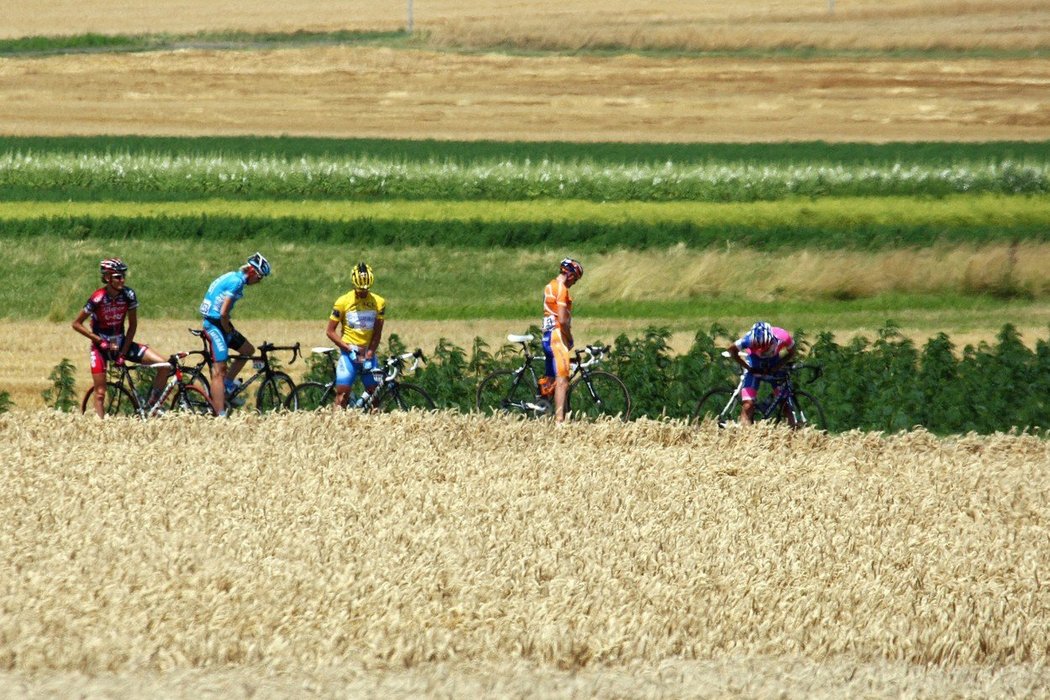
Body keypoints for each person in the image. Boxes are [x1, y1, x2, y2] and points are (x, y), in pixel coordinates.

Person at [72, 258, 170, 418]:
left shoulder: (128, 295)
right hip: (101, 348)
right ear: (107, 278)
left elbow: (132, 326)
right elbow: (76, 324)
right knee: (101, 393)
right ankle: (101, 428)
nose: (122, 280)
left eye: (124, 275)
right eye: (118, 276)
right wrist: (99, 341)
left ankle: (152, 407)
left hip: (122, 343)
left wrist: (123, 354)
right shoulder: (98, 298)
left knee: (164, 365)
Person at [198, 252, 271, 416]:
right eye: (260, 278)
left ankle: (228, 384)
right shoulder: (237, 282)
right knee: (219, 369)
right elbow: (223, 313)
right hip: (214, 325)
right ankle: (220, 414)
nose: (259, 282)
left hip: (220, 323)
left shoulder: (233, 276)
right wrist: (228, 329)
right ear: (252, 272)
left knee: (247, 351)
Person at [326, 262, 386, 409]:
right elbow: (330, 331)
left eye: (366, 290)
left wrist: (370, 353)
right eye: (360, 290)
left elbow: (377, 333)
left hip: (368, 354)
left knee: (374, 396)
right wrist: (347, 349)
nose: (363, 293)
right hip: (349, 354)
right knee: (342, 396)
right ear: (354, 285)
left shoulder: (379, 302)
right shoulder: (342, 302)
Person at [727, 321, 797, 425]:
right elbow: (731, 350)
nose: (761, 350)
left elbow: (792, 351)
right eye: (757, 346)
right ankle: (744, 436)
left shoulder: (783, 336)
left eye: (765, 347)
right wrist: (747, 367)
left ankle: (794, 434)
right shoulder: (748, 340)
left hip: (774, 363)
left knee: (784, 403)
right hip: (755, 364)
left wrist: (778, 366)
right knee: (748, 405)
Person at [541, 258, 583, 423]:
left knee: (551, 378)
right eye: (576, 279)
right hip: (557, 336)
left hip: (547, 334)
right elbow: (563, 319)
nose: (574, 283)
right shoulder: (562, 290)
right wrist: (570, 338)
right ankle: (559, 420)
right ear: (571, 276)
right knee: (562, 379)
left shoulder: (550, 285)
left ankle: (543, 408)